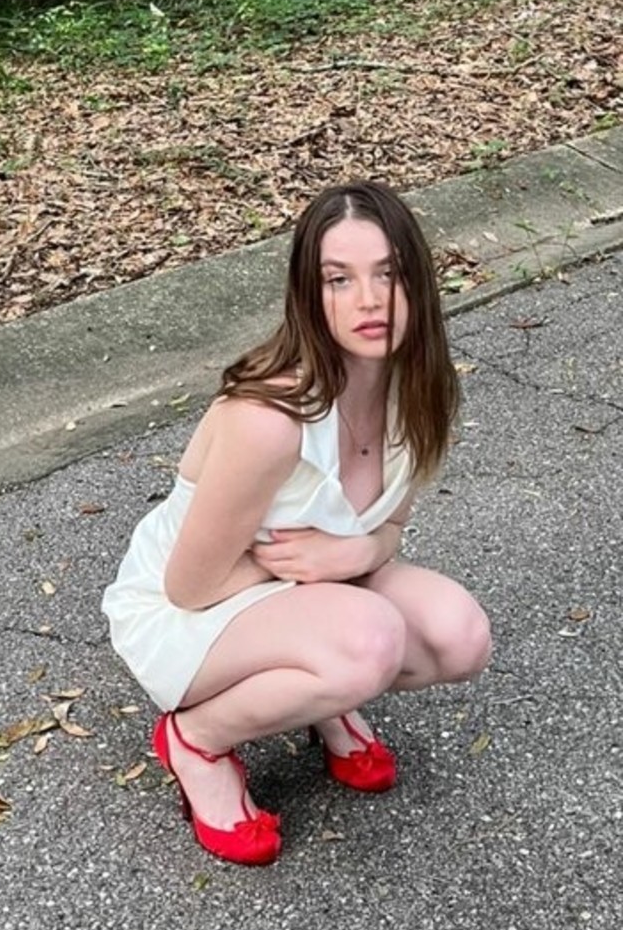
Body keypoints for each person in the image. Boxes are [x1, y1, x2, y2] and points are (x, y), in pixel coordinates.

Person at [102, 180, 492, 866]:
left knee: (460, 637)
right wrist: (309, 566)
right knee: (370, 641)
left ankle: (324, 690)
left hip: (308, 589)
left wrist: (356, 553)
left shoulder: (419, 388)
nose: (369, 300)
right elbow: (189, 586)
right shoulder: (271, 418)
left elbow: (390, 526)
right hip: (189, 612)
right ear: (309, 295)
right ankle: (198, 739)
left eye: (389, 274)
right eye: (339, 279)